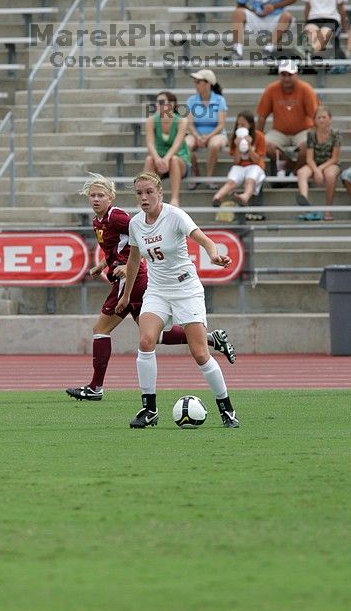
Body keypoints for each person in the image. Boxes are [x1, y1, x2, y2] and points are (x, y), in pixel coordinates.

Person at [66, 173, 236, 402]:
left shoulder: (119, 217)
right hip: (141, 282)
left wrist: (127, 268)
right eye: (92, 195)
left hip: (142, 280)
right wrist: (101, 265)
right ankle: (209, 340)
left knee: (101, 329)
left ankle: (96, 387)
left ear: (111, 197)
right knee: (150, 338)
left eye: (101, 195)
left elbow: (140, 244)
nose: (96, 199)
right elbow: (127, 246)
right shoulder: (102, 221)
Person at [115, 171, 239, 429]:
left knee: (199, 353)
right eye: (139, 193)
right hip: (157, 290)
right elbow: (135, 259)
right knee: (146, 340)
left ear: (160, 193)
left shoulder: (175, 215)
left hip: (186, 289)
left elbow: (204, 239)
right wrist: (126, 295)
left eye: (149, 192)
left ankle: (226, 409)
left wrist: (214, 255)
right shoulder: (136, 223)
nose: (144, 197)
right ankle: (149, 409)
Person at [256, 59, 319, 176]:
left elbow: (315, 116)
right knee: (265, 144)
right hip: (279, 132)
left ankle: (294, 173)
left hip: (303, 131)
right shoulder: (271, 89)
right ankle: (290, 166)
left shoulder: (306, 89)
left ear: (296, 74)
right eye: (283, 75)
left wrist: (318, 136)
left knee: (309, 144)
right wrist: (257, 137)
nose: (286, 78)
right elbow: (262, 117)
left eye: (290, 75)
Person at [144, 90, 190, 207]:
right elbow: (150, 144)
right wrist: (158, 159)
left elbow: (177, 144)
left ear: (171, 104)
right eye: (157, 102)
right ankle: (146, 198)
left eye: (161, 102)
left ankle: (175, 198)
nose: (157, 105)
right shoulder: (151, 120)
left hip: (179, 161)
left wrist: (166, 159)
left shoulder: (181, 120)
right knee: (149, 159)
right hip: (160, 161)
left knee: (174, 159)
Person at [212, 110, 266, 207]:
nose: (240, 127)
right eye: (238, 124)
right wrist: (237, 146)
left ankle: (245, 197)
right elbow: (236, 161)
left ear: (250, 125)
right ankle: (217, 197)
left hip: (255, 166)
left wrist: (249, 146)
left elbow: (257, 160)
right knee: (231, 181)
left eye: (243, 125)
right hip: (240, 166)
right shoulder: (235, 137)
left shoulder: (259, 136)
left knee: (250, 180)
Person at [296, 106, 341, 220]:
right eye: (319, 117)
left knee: (330, 176)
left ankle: (328, 210)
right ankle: (305, 205)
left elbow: (334, 158)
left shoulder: (335, 134)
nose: (321, 120)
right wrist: (316, 170)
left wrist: (319, 170)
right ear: (315, 120)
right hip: (314, 163)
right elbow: (309, 158)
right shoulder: (311, 134)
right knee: (301, 173)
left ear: (330, 119)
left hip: (330, 163)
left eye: (324, 117)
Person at [185, 69, 228, 190]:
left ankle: (209, 178)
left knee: (214, 145)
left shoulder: (220, 100)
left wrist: (207, 137)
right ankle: (195, 174)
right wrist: (198, 136)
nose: (196, 85)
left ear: (208, 83)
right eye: (196, 82)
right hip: (195, 133)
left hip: (216, 133)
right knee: (186, 145)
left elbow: (220, 125)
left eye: (199, 82)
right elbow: (190, 124)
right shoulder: (191, 100)